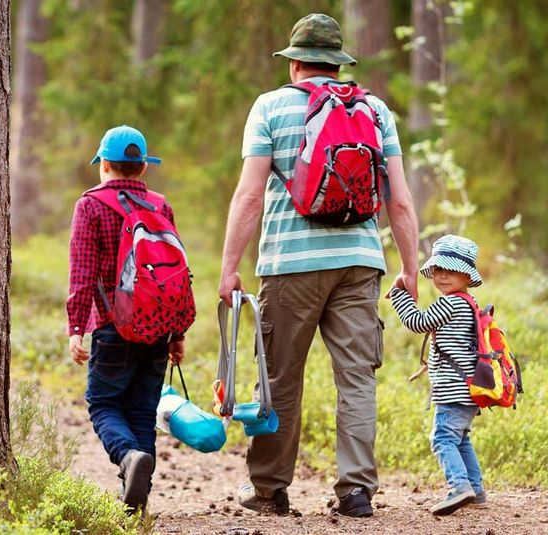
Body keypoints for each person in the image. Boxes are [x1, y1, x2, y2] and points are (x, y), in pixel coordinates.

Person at [218, 13, 419, 517]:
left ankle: (269, 489)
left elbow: (249, 196)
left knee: (281, 378)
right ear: (337, 63)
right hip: (360, 262)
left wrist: (229, 267)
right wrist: (410, 268)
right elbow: (399, 201)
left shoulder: (269, 107)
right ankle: (356, 491)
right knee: (356, 378)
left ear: (296, 65)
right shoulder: (374, 109)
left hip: (290, 265)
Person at [66, 125, 186, 514]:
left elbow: (82, 273)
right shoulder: (160, 205)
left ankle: (127, 458)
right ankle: (137, 503)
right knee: (140, 411)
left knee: (102, 403)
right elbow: (176, 274)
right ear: (143, 169)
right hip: (158, 328)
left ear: (103, 165)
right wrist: (177, 332)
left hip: (111, 327)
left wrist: (76, 329)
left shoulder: (90, 205)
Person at [388, 235, 487, 515]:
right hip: (469, 389)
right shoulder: (469, 302)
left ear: (466, 275)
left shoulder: (451, 303)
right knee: (460, 438)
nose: (443, 276)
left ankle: (459, 486)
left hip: (453, 390)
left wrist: (399, 293)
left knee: (442, 438)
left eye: (451, 271)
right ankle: (476, 490)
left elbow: (417, 322)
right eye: (438, 270)